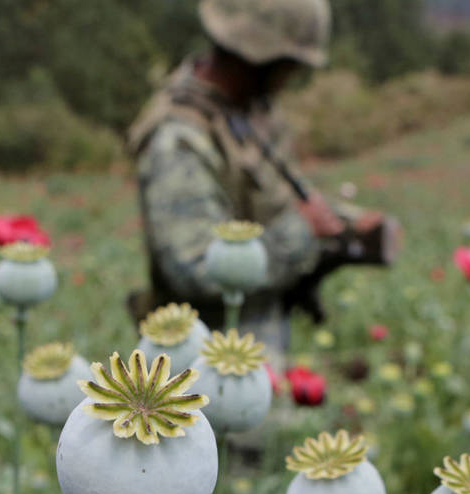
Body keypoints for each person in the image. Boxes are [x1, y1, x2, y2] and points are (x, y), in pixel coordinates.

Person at [127, 0, 398, 348]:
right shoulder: (178, 139)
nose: (292, 78)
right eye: (291, 66)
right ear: (261, 58)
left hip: (258, 342)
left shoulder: (247, 111)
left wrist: (348, 224)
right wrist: (302, 232)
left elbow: (277, 199)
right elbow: (194, 268)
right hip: (201, 366)